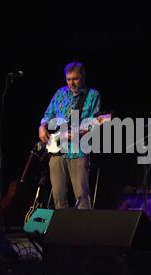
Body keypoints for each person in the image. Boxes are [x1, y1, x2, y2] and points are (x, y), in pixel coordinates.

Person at [39, 62, 101, 209]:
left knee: (82, 197)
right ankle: (63, 230)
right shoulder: (60, 93)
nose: (71, 83)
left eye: (75, 79)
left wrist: (78, 133)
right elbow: (48, 115)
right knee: (58, 196)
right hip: (57, 151)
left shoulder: (92, 95)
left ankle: (84, 229)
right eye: (68, 79)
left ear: (83, 77)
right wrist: (42, 126)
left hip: (78, 151)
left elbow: (93, 123)